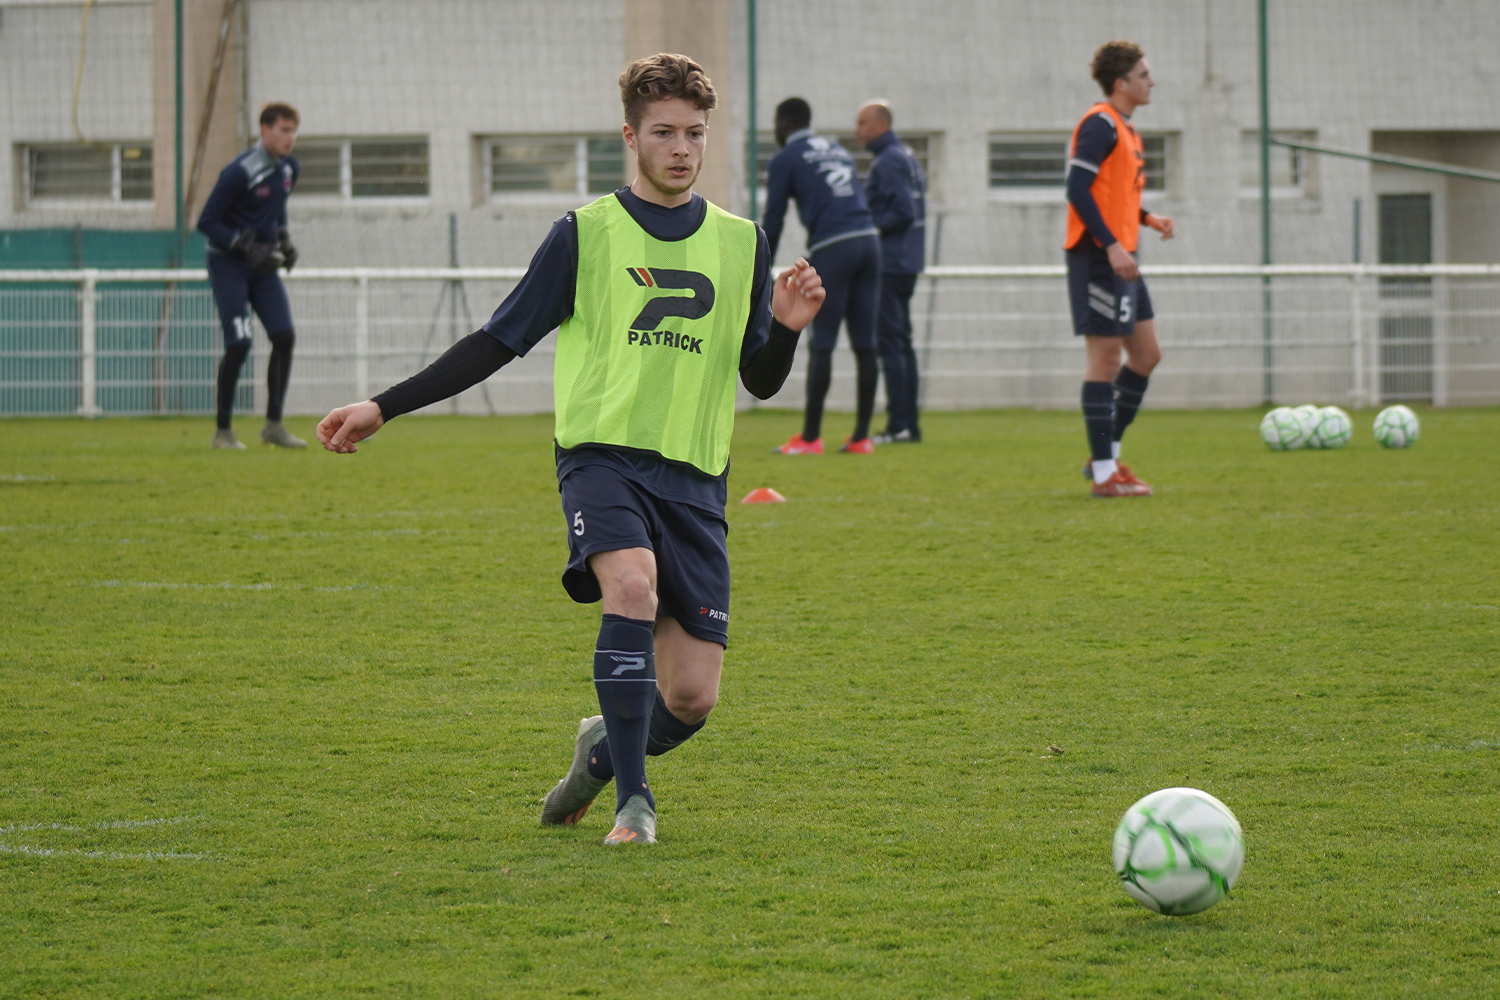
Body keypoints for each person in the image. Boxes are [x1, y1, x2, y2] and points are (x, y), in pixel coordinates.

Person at [315, 54, 825, 846]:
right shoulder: (584, 234)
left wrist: (788, 326)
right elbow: (496, 341)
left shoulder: (743, 242)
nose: (681, 148)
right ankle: (635, 804)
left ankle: (600, 756)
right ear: (631, 136)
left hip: (696, 479)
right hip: (602, 460)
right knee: (630, 584)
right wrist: (385, 405)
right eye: (663, 133)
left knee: (692, 698)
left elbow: (756, 379)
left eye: (694, 133)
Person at [1067, 41, 1174, 498]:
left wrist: (1147, 219)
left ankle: (1104, 456)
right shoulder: (1100, 123)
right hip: (1099, 256)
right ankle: (1107, 474)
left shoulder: (1126, 129)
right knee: (1106, 359)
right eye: (1144, 74)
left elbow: (1115, 195)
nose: (1151, 81)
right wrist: (1110, 245)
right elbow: (1078, 187)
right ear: (1121, 83)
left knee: (1147, 354)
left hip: (1122, 254)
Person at [762, 98, 881, 455]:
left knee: (822, 342)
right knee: (866, 344)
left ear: (783, 126)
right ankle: (861, 438)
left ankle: (811, 438)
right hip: (870, 243)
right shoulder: (836, 148)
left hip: (835, 247)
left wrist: (760, 265)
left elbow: (775, 216)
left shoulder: (785, 158)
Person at [198, 102, 305, 450]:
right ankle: (223, 432)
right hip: (229, 266)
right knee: (239, 344)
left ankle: (273, 425)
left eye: (293, 130)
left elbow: (277, 206)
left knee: (284, 336)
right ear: (265, 130)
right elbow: (208, 221)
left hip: (263, 268)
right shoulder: (239, 172)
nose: (290, 138)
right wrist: (245, 246)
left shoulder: (289, 168)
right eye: (283, 130)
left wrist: (284, 239)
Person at [854, 101, 926, 444]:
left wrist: (866, 228)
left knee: (890, 344)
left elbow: (903, 212)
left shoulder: (889, 161)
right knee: (902, 343)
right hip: (907, 262)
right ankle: (909, 425)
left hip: (891, 264)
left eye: (863, 122)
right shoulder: (904, 155)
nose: (858, 130)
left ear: (881, 125)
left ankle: (899, 425)